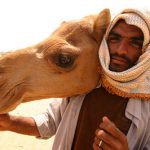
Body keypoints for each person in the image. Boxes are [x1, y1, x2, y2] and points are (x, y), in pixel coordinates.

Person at [1, 8, 150, 150]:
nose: (121, 50)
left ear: (145, 48)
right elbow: (49, 123)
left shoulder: (146, 103)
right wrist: (9, 123)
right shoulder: (83, 84)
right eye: (114, 39)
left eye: (134, 43)